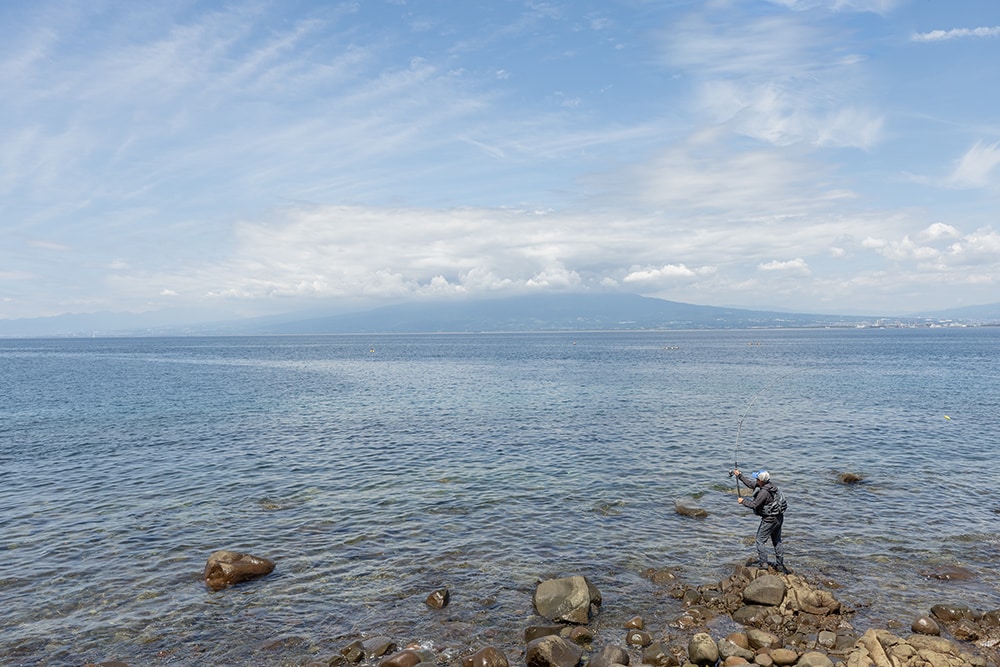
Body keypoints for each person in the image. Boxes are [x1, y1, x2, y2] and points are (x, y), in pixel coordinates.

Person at [732, 468, 789, 574]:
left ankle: (763, 564)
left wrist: (743, 501)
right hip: (779, 517)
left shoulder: (763, 492)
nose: (755, 480)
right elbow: (750, 484)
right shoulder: (770, 486)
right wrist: (739, 475)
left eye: (757, 478)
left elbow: (754, 505)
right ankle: (780, 565)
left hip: (769, 520)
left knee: (759, 541)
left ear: (761, 481)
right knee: (777, 541)